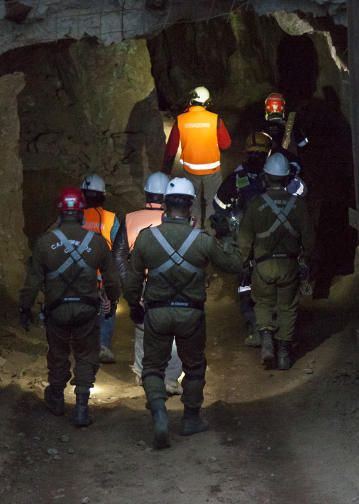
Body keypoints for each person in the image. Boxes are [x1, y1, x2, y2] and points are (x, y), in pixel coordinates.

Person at [124, 177, 243, 449]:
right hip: (191, 316)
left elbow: (131, 283)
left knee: (153, 367)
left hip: (157, 313)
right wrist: (226, 238)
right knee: (194, 367)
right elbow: (234, 265)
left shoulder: (147, 239)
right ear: (190, 208)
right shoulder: (202, 240)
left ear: (165, 205)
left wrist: (134, 306)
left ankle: (158, 413)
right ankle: (190, 419)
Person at [18, 187, 122, 427]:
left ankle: (55, 398)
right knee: (86, 355)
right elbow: (112, 280)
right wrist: (112, 301)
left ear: (60, 213)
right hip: (86, 310)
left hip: (57, 310)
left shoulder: (45, 242)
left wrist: (25, 308)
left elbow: (32, 281)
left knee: (58, 354)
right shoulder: (96, 243)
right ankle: (81, 408)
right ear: (82, 212)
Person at [237, 153, 316, 371]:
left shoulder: (255, 204)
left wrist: (244, 260)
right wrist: (308, 259)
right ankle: (283, 354)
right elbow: (309, 237)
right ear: (286, 178)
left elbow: (244, 238)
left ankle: (267, 343)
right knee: (287, 307)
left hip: (262, 265)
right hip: (289, 265)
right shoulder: (298, 205)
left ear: (266, 177)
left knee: (263, 303)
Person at [210, 131, 273, 347]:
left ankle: (253, 325)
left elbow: (218, 206)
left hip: (244, 244)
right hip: (271, 242)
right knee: (271, 282)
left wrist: (225, 225)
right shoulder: (275, 177)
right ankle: (272, 328)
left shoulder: (236, 179)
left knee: (246, 284)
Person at [125, 172, 183, 395]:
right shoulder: (177, 219)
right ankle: (170, 378)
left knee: (142, 328)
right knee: (174, 328)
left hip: (142, 282)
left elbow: (120, 254)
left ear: (147, 193)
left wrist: (129, 284)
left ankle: (141, 373)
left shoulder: (131, 219)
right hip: (171, 282)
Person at [161, 86, 232, 227]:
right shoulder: (215, 119)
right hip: (212, 170)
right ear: (207, 102)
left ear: (191, 100)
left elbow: (172, 147)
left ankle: (195, 232)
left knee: (192, 202)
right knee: (213, 201)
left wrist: (167, 170)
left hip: (190, 170)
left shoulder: (181, 120)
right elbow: (226, 145)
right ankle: (212, 234)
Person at [80, 174, 128, 364]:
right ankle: (102, 345)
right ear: (103, 196)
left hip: (78, 276)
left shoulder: (72, 218)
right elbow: (118, 249)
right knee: (108, 307)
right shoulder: (111, 219)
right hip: (101, 277)